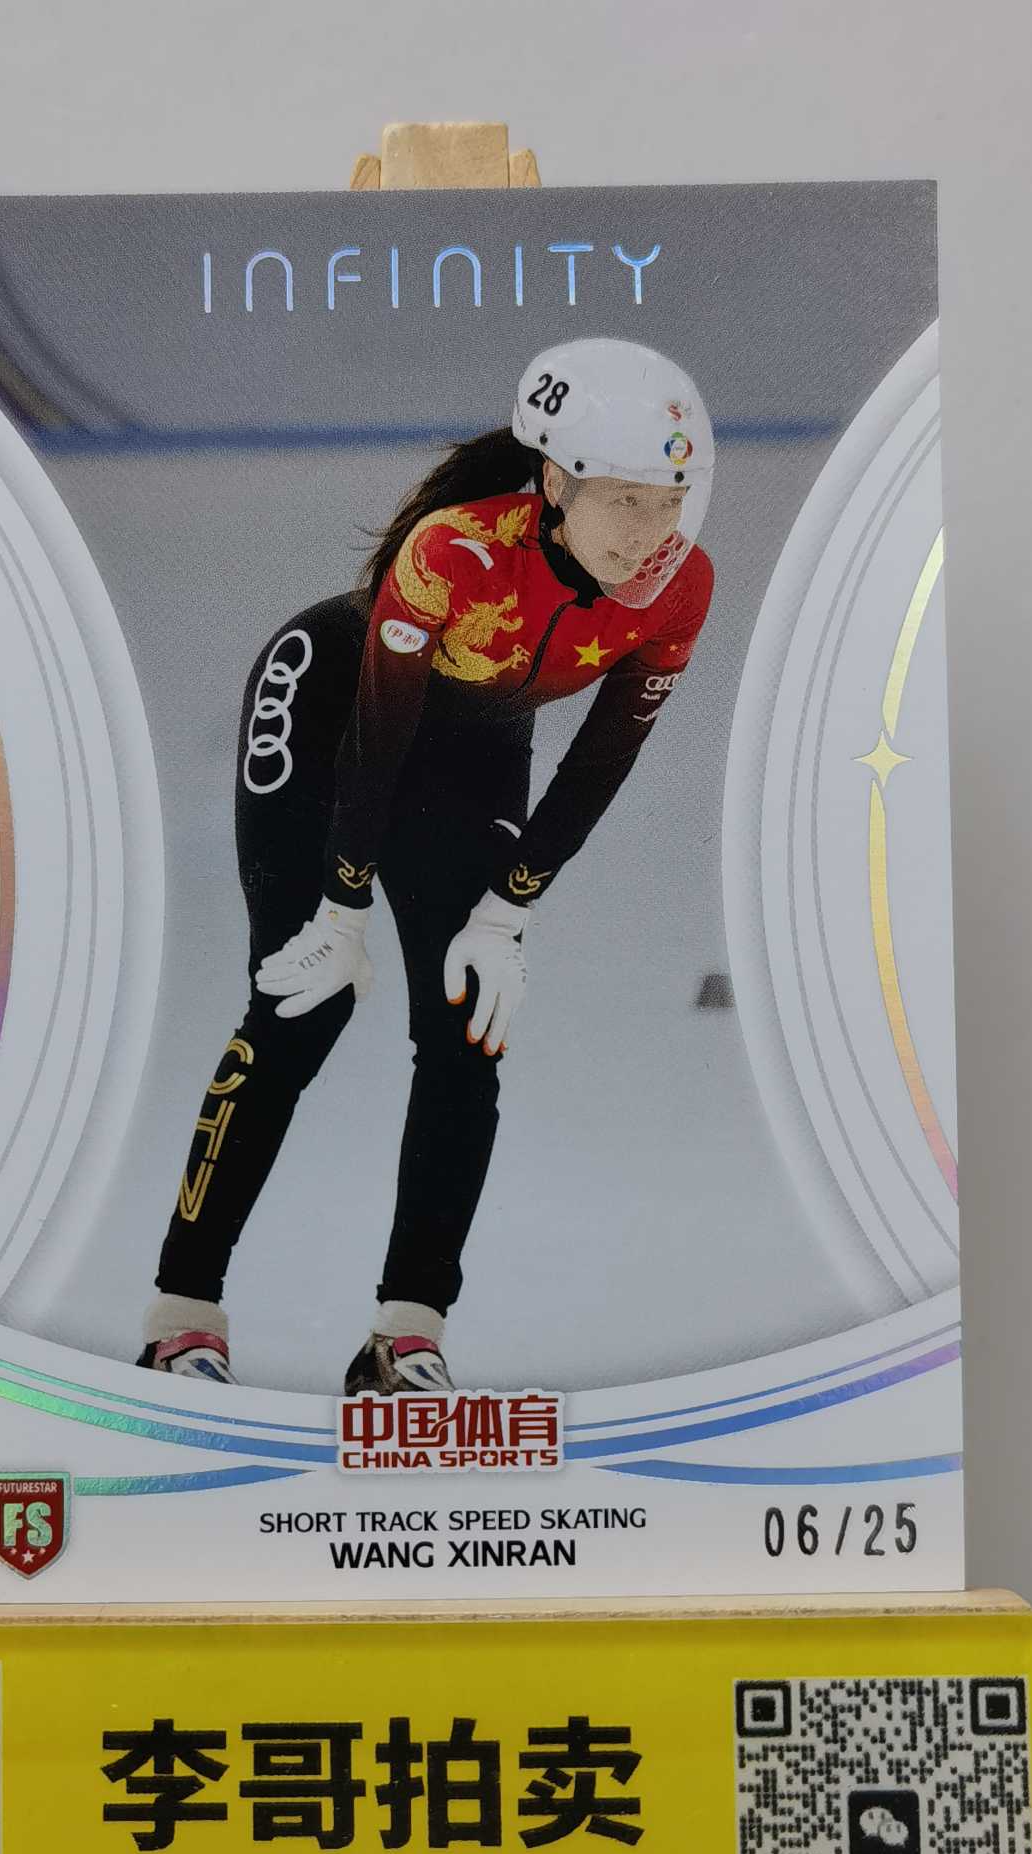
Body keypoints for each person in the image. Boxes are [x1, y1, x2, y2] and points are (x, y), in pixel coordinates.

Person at [138, 337, 716, 1394]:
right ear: (555, 483)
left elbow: (599, 762)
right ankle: (181, 1316)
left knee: (466, 1033)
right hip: (332, 711)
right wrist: (343, 905)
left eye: (669, 501)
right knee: (298, 1007)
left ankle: (406, 1335)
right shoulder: (454, 551)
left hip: (475, 750)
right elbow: (377, 735)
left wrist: (509, 909)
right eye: (624, 501)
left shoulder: (680, 586)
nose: (648, 534)